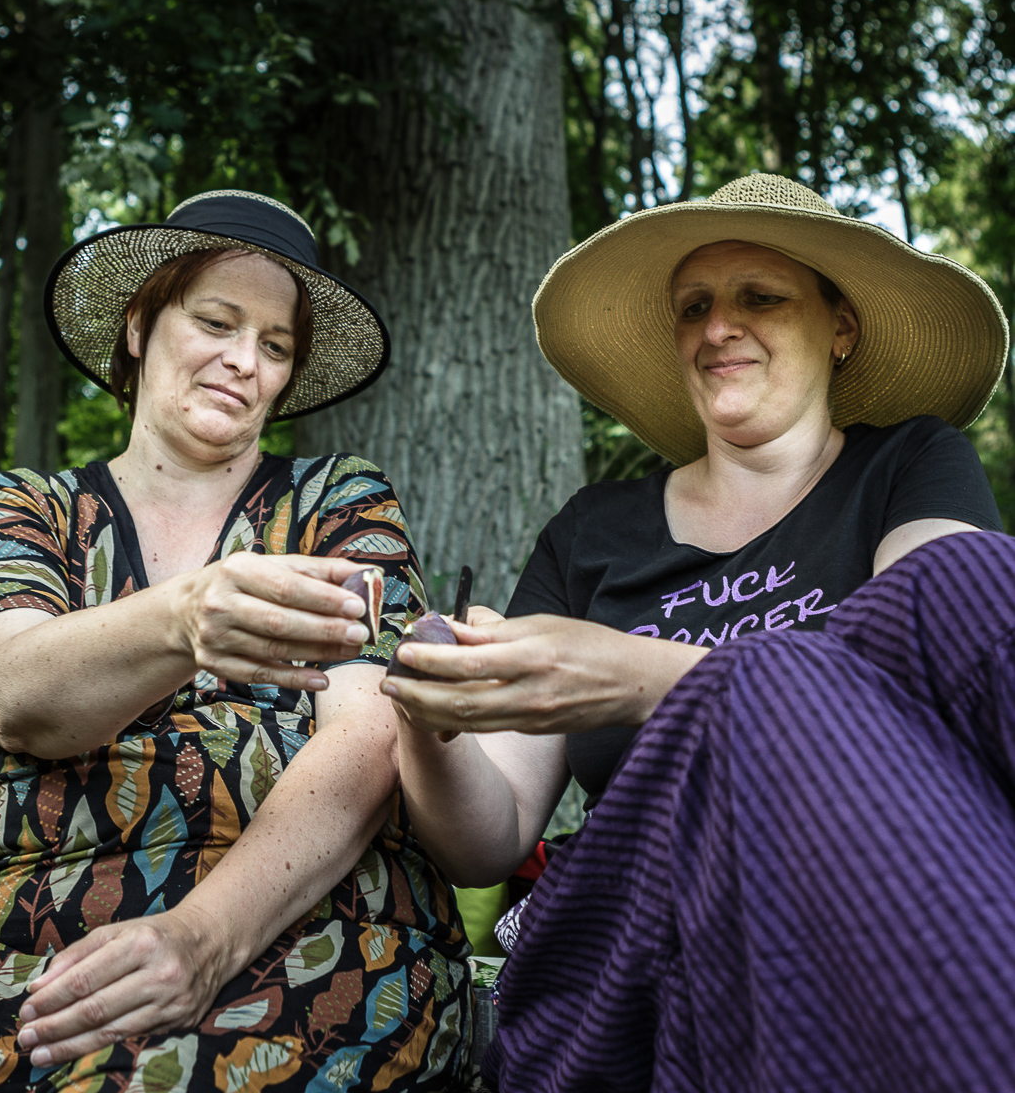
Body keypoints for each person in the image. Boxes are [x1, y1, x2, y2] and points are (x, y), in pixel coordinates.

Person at [380, 172, 1015, 1092]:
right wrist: (428, 716)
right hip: (642, 925)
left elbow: (939, 652)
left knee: (970, 576)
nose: (718, 326)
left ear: (841, 327)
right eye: (694, 306)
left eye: (761, 297)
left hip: (901, 873)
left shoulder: (909, 463)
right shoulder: (593, 532)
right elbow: (492, 834)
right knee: (769, 682)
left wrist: (636, 675)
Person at [0, 190, 471, 1091]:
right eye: (217, 322)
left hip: (308, 936)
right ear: (143, 324)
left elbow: (369, 732)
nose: (243, 362)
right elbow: (12, 695)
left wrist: (201, 937)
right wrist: (185, 618)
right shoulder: (22, 507)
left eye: (275, 347)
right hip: (18, 944)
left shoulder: (336, 503)